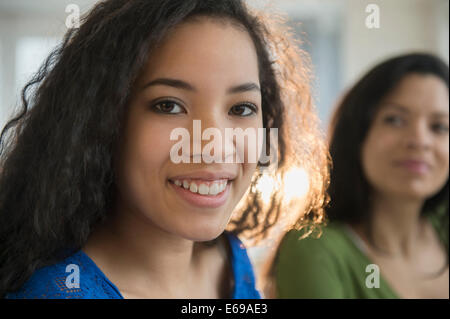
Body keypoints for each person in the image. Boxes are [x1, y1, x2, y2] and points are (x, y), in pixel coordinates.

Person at [0, 0, 329, 299]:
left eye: (241, 109)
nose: (214, 147)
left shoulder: (230, 259)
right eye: (169, 105)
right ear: (100, 122)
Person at [274, 53, 449, 298]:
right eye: (395, 120)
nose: (420, 141)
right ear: (356, 135)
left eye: (439, 126)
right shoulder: (314, 249)